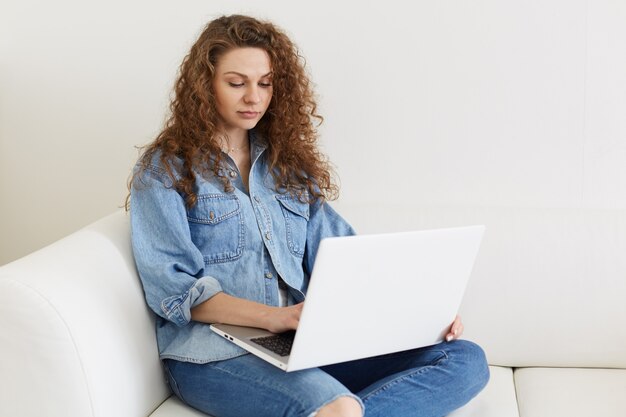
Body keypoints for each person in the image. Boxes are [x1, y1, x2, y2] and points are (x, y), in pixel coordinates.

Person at [128, 14, 489, 417]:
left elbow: (347, 256)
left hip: (304, 343)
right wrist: (276, 318)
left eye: (265, 83)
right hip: (213, 354)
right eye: (236, 83)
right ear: (204, 85)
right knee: (337, 407)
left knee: (464, 359)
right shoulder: (164, 171)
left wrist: (423, 312)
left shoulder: (287, 168)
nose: (254, 97)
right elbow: (174, 292)